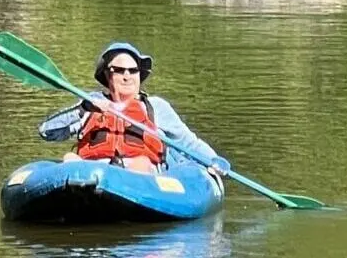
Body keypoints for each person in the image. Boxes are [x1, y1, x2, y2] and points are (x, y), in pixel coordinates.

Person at [37, 42, 229, 177]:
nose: (127, 76)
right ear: (107, 74)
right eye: (119, 70)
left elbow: (188, 142)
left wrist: (214, 159)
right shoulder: (89, 104)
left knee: (141, 163)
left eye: (133, 70)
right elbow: (47, 131)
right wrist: (82, 108)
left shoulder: (156, 106)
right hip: (90, 171)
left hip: (139, 174)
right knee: (70, 157)